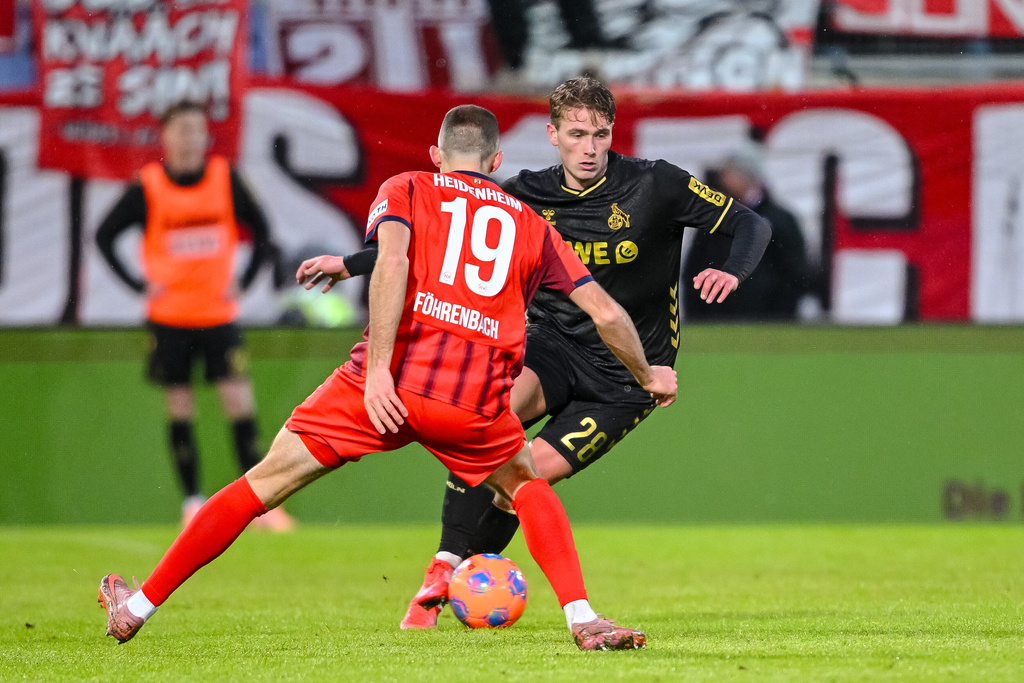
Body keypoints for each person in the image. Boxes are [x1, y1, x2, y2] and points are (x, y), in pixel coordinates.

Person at [98, 104, 678, 651]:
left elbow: (395, 259)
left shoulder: (406, 186)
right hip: (471, 395)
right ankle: (583, 617)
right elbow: (605, 313)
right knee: (524, 485)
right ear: (497, 163)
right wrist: (646, 374)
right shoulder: (532, 225)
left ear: (436, 153)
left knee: (262, 484)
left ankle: (138, 607)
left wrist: (377, 371)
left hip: (388, 383)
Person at [328, 77, 773, 629]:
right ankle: (443, 569)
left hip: (631, 376)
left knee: (525, 483)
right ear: (553, 134)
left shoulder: (657, 184)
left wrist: (731, 270)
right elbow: (432, 236)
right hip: (552, 344)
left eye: (600, 135)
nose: (589, 148)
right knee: (494, 422)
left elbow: (751, 223)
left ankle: (461, 570)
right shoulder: (522, 194)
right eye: (577, 134)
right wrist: (351, 263)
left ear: (613, 135)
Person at [95, 101, 294, 531]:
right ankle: (191, 502)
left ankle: (263, 505)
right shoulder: (148, 185)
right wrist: (136, 284)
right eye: (181, 129)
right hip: (168, 317)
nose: (189, 138)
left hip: (218, 316)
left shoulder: (225, 178)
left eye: (197, 130)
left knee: (240, 404)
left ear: (206, 137)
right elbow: (104, 235)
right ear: (165, 137)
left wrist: (245, 277)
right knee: (180, 407)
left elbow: (262, 231)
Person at [682, 140, 811, 321]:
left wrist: (782, 316)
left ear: (748, 176)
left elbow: (796, 274)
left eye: (729, 172)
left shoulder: (780, 220)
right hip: (717, 322)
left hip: (766, 323)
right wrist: (697, 315)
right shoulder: (713, 218)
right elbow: (694, 268)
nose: (723, 178)